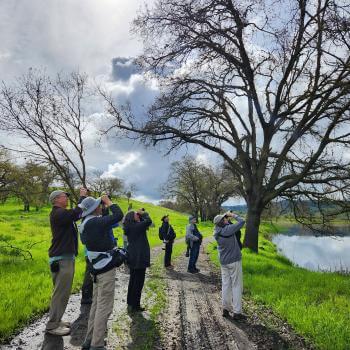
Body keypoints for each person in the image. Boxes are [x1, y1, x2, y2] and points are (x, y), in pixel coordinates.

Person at [79, 195, 123, 350]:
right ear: (93, 208)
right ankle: (97, 345)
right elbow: (118, 215)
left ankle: (89, 340)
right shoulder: (95, 223)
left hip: (95, 268)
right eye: (99, 204)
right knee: (105, 307)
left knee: (96, 306)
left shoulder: (85, 223)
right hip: (105, 269)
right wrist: (109, 202)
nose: (101, 206)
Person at [45, 187, 87, 336]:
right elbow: (75, 213)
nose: (67, 198)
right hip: (62, 258)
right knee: (60, 293)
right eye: (64, 196)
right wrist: (82, 198)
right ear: (56, 199)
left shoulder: (61, 214)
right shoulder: (58, 213)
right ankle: (52, 326)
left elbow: (76, 214)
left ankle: (57, 320)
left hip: (64, 257)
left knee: (62, 291)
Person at [213, 211, 245, 320]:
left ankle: (225, 309)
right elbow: (242, 221)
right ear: (222, 222)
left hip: (224, 262)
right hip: (234, 261)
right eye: (224, 218)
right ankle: (237, 312)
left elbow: (226, 225)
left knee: (226, 285)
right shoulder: (228, 229)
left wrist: (226, 219)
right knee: (236, 285)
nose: (226, 218)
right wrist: (233, 215)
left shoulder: (216, 231)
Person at [123, 209, 153, 312]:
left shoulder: (130, 226)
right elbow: (149, 221)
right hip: (139, 257)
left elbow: (145, 223)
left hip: (133, 256)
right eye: (136, 214)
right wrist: (144, 213)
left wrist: (140, 215)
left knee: (133, 280)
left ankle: (130, 302)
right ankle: (135, 305)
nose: (138, 215)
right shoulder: (136, 227)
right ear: (132, 217)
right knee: (138, 281)